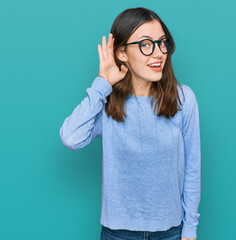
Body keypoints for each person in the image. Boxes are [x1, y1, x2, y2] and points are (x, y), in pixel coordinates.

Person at [59, 7, 201, 240]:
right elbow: (70, 138)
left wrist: (190, 230)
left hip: (171, 232)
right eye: (146, 44)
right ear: (122, 53)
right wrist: (102, 84)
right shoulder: (106, 102)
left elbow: (192, 170)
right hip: (118, 233)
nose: (159, 54)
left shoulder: (184, 99)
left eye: (162, 42)